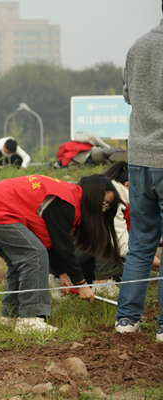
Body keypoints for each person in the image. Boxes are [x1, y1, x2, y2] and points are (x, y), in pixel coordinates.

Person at [0, 174, 120, 334]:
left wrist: (62, 273)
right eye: (104, 203)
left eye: (107, 206)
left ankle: (10, 317)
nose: (103, 210)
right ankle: (30, 320)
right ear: (93, 195)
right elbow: (64, 247)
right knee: (34, 254)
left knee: (18, 262)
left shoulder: (70, 198)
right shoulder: (66, 202)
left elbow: (52, 241)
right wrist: (81, 284)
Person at [115, 5, 163, 341]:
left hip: (140, 157)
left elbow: (128, 95)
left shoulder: (138, 45)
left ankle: (126, 320)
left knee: (141, 242)